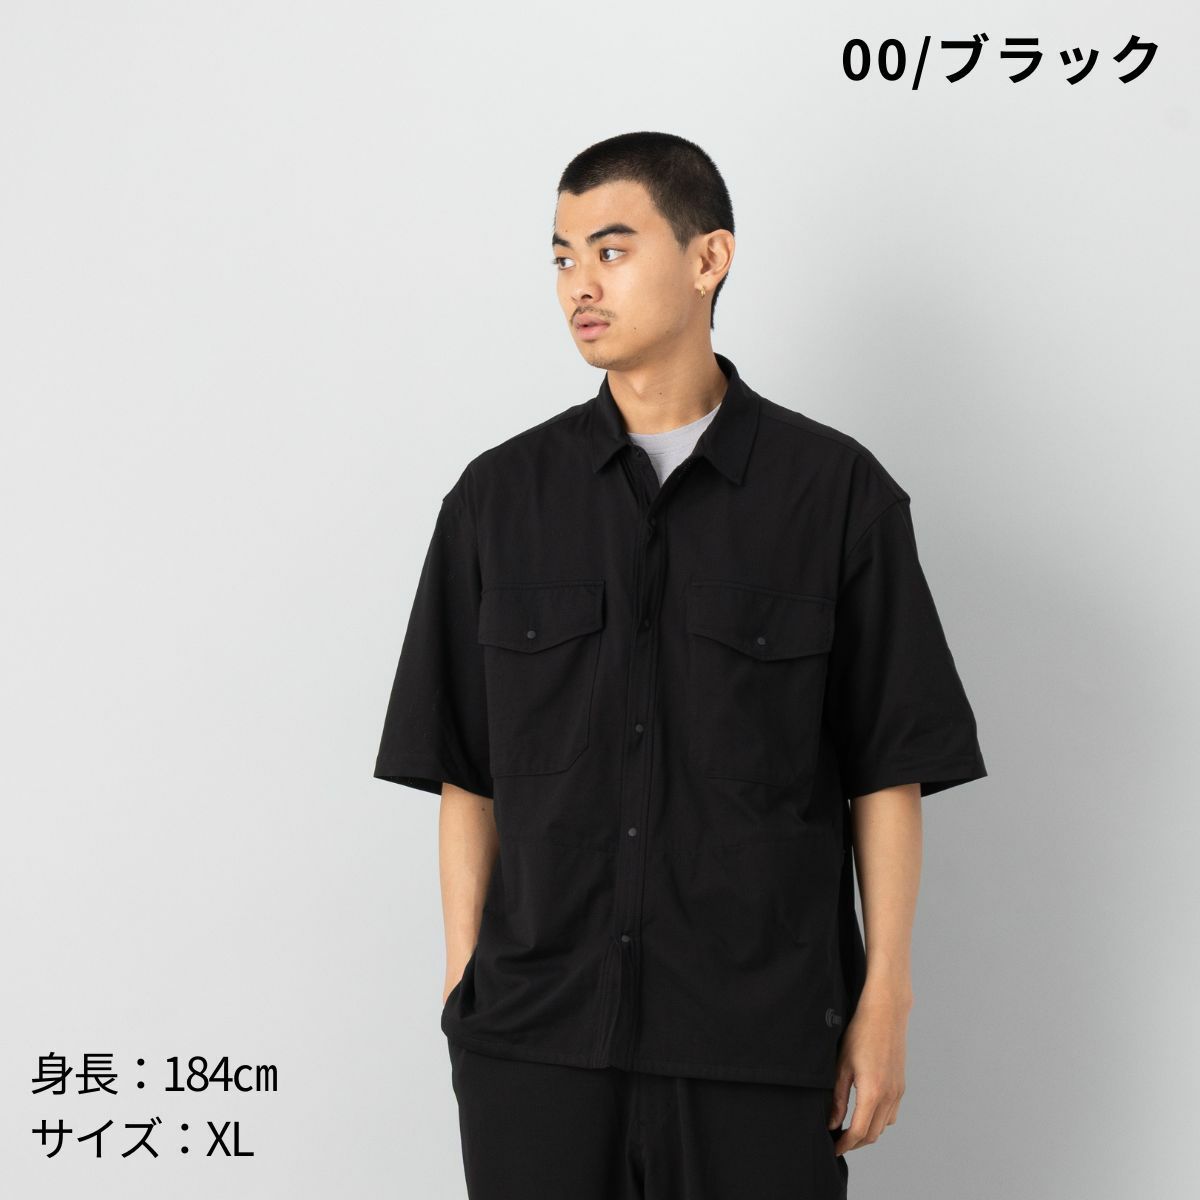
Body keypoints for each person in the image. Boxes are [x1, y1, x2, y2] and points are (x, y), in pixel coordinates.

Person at [373, 131, 987, 1199]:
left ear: (709, 259)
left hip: (759, 1042)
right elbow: (466, 770)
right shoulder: (498, 502)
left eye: (611, 250)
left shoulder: (835, 495)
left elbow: (887, 769)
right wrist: (468, 985)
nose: (579, 285)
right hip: (537, 1043)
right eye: (561, 257)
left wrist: (885, 1000)